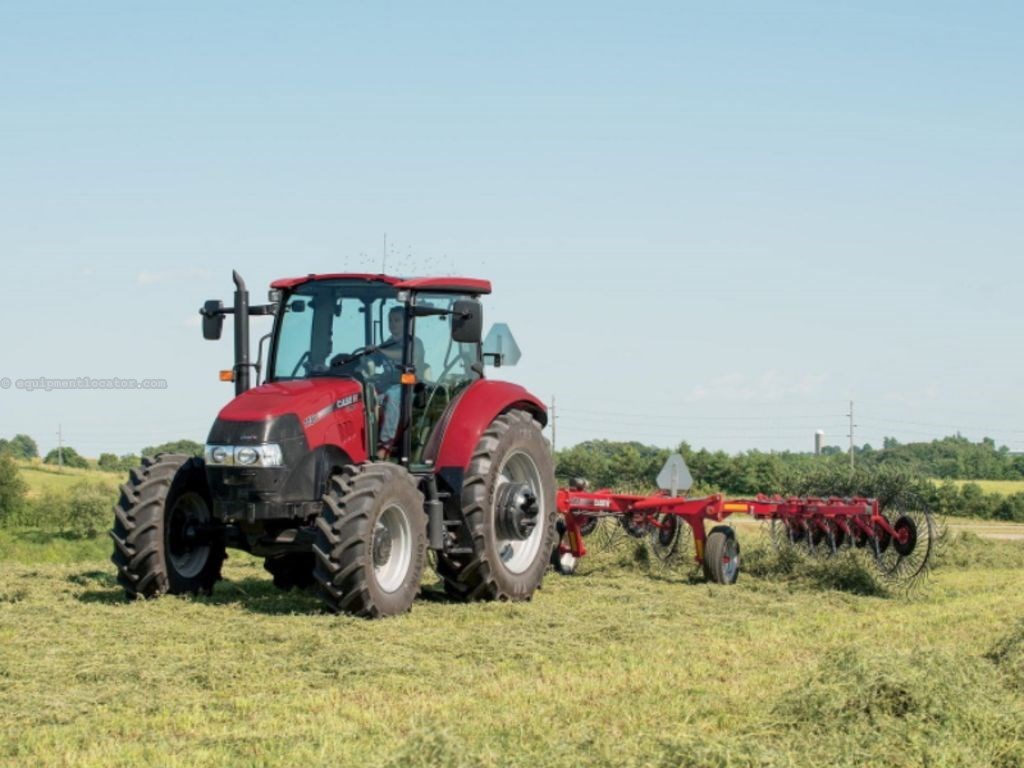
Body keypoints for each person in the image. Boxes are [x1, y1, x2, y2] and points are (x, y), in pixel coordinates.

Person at [376, 306, 426, 457]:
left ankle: (386, 443)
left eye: (397, 320)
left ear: (406, 323)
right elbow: (377, 361)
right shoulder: (388, 343)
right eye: (390, 320)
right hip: (390, 384)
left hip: (410, 387)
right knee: (366, 395)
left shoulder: (414, 342)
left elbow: (403, 356)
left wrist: (379, 351)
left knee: (392, 396)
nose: (392, 324)